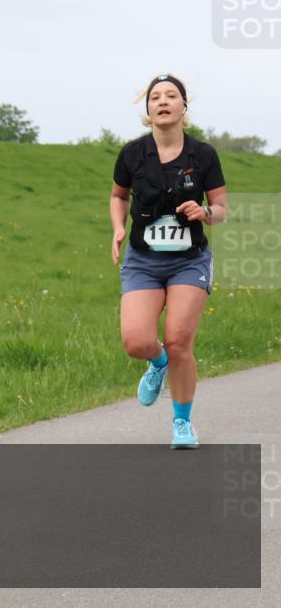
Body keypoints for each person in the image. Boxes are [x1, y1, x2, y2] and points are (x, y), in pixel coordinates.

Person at [110, 73, 227, 450]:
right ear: (147, 109)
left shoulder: (203, 155)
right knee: (136, 341)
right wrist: (117, 228)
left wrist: (206, 213)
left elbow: (222, 208)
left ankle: (182, 423)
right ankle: (157, 364)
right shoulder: (131, 153)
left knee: (179, 341)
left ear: (183, 106)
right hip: (143, 260)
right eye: (155, 97)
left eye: (171, 95)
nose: (162, 101)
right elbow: (118, 196)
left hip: (188, 261)